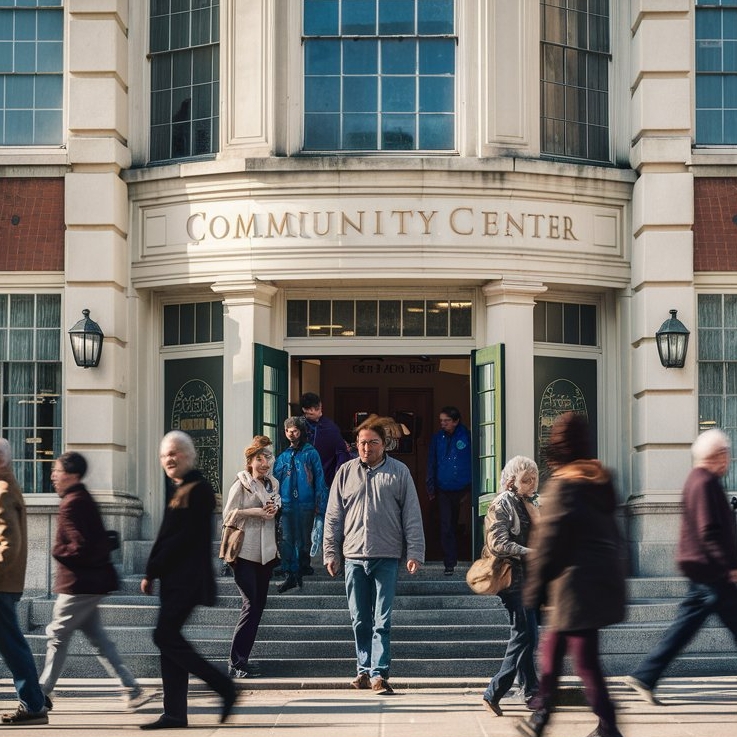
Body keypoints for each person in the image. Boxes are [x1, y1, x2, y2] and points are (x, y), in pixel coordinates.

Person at [517, 412, 626, 737]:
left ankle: (603, 725)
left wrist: (534, 591)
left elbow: (549, 544)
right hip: (597, 584)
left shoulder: (565, 484)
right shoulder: (600, 479)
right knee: (560, 652)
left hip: (575, 588)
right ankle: (542, 718)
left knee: (579, 660)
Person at [624, 428, 737, 706]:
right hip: (713, 573)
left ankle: (645, 675)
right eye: (726, 454)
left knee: (684, 628)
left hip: (705, 572)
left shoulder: (698, 480)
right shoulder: (705, 482)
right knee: (689, 627)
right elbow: (709, 530)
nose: (729, 460)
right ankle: (645, 675)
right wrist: (729, 568)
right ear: (716, 455)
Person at [140, 431, 236, 730]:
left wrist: (154, 567)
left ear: (189, 456)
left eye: (175, 453)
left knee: (164, 637)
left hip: (187, 578)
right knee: (168, 642)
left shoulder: (199, 489)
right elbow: (168, 535)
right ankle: (174, 713)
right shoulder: (180, 488)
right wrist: (153, 571)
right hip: (174, 578)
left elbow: (182, 538)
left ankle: (224, 686)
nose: (169, 459)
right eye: (164, 455)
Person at [323, 416, 425, 694]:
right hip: (354, 556)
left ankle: (379, 674)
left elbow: (412, 515)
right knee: (359, 619)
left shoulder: (399, 472)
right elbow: (333, 516)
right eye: (362, 443)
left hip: (386, 556)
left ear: (384, 444)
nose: (366, 448)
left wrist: (414, 551)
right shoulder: (345, 472)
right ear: (355, 445)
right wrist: (330, 552)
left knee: (382, 619)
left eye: (372, 443)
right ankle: (363, 671)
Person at [39, 452, 147, 710]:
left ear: (72, 474)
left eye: (57, 471)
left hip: (77, 585)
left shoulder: (72, 503)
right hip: (91, 582)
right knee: (98, 639)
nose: (53, 476)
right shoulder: (82, 498)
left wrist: (56, 550)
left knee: (56, 636)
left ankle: (39, 693)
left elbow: (79, 546)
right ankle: (130, 687)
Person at [482, 456, 540, 716]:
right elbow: (498, 543)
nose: (531, 483)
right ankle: (495, 691)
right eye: (526, 479)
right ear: (510, 481)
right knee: (525, 633)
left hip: (529, 576)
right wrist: (531, 552)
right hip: (511, 576)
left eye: (534, 478)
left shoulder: (530, 503)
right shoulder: (502, 504)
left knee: (528, 633)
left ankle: (531, 692)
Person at [222, 435, 280, 679]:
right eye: (260, 458)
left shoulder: (273, 484)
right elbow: (228, 516)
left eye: (268, 457)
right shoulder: (242, 483)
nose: (265, 463)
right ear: (250, 462)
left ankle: (242, 660)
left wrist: (275, 507)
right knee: (250, 604)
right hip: (244, 553)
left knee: (258, 607)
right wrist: (254, 511)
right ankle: (235, 662)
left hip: (265, 554)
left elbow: (274, 510)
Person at [0, 438, 49, 726]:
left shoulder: (4, 491)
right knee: (13, 644)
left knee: (13, 645)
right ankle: (35, 698)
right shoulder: (8, 486)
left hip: (2, 585)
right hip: (7, 585)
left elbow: (9, 544)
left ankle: (33, 702)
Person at [273, 417, 328, 592]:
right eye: (288, 430)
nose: (291, 434)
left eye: (295, 430)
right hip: (287, 503)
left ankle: (303, 565)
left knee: (304, 539)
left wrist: (320, 504)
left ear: (301, 432)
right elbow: (276, 480)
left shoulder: (311, 453)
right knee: (287, 537)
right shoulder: (283, 456)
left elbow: (319, 479)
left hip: (306, 502)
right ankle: (289, 569)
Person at [426, 406, 473, 575]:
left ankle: (470, 558)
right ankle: (449, 563)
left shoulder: (467, 436)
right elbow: (431, 462)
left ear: (456, 421)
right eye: (441, 421)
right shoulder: (437, 438)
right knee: (446, 526)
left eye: (446, 421)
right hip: (443, 489)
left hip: (465, 488)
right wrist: (430, 486)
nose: (443, 424)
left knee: (466, 525)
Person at [300, 392, 350, 488]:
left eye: (317, 408)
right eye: (310, 410)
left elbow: (342, 452)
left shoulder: (330, 427)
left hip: (326, 476)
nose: (314, 412)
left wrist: (339, 474)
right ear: (304, 409)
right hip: (302, 475)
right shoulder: (298, 425)